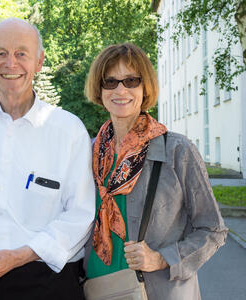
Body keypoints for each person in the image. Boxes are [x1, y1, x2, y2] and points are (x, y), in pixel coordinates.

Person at [0, 18, 95, 300]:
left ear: (39, 61)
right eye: (1, 53)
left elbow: (80, 215)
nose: (11, 63)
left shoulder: (68, 130)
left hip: (49, 282)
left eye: (21, 53)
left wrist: (20, 256)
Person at [83, 42, 228, 299]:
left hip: (157, 290)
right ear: (99, 88)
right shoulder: (89, 151)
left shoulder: (177, 150)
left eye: (131, 81)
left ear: (145, 87)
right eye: (110, 81)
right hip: (98, 288)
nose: (120, 90)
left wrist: (162, 258)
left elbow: (213, 230)